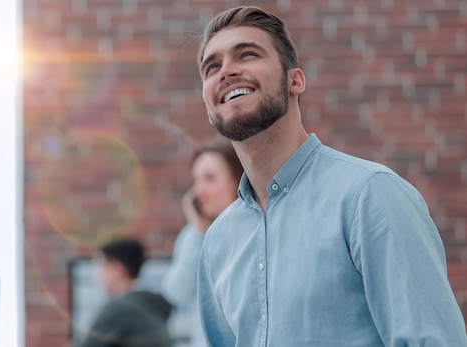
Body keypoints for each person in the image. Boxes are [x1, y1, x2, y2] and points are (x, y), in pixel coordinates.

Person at [195, 6, 467, 346]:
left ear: (295, 80)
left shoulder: (369, 195)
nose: (227, 71)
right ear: (209, 106)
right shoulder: (218, 241)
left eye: (247, 54)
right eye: (212, 66)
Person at [161, 138, 243, 346]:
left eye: (209, 178)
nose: (198, 191)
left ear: (238, 179)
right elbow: (176, 292)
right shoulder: (194, 235)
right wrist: (198, 230)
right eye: (196, 181)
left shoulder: (256, 231)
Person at [79, 239, 173, 347]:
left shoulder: (118, 308)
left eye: (101, 267)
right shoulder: (150, 303)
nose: (98, 276)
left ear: (116, 269)